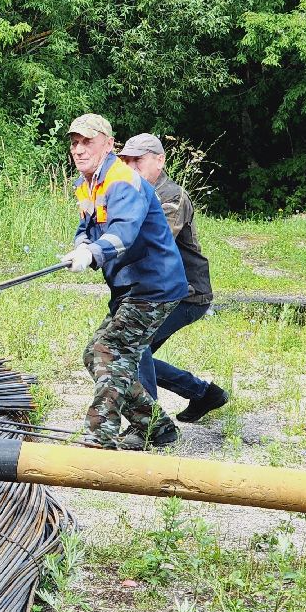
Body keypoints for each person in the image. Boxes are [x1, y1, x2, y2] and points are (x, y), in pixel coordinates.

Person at [59, 114, 190, 450]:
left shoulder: (123, 180)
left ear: (108, 144)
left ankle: (100, 437)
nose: (79, 149)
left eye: (87, 141)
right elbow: (86, 228)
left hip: (154, 285)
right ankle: (156, 427)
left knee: (111, 350)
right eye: (75, 143)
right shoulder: (85, 184)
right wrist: (81, 246)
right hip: (130, 288)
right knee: (94, 354)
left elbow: (124, 233)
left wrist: (93, 254)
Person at [116, 134, 229, 422]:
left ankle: (150, 422)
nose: (130, 166)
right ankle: (204, 393)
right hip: (156, 293)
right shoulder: (132, 194)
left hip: (187, 294)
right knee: (136, 355)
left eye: (137, 160)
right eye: (126, 161)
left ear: (159, 160)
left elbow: (154, 245)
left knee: (135, 344)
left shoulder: (171, 196)